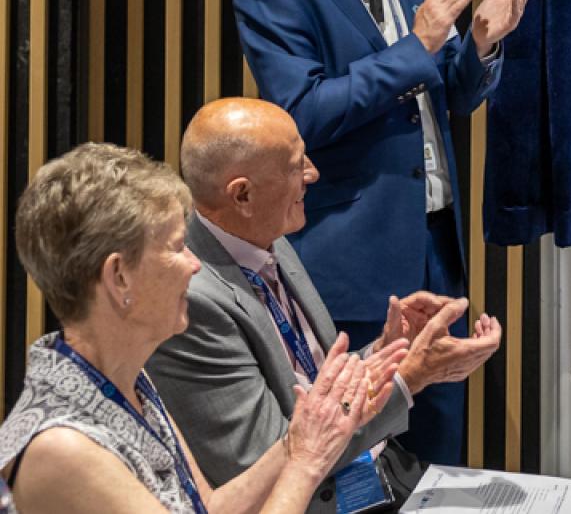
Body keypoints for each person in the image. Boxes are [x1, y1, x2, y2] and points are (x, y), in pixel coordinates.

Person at [233, 0, 535, 465]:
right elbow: (303, 112)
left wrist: (481, 42)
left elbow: (449, 93)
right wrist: (420, 41)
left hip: (434, 239)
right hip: (348, 254)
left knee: (437, 444)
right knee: (357, 449)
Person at [0, 142, 405, 514]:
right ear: (118, 277)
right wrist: (307, 460)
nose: (195, 265)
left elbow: (209, 506)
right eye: (177, 248)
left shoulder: (127, 377)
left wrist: (301, 436)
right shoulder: (62, 448)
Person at [147, 98, 503, 514]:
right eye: (297, 165)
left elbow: (316, 381)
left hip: (379, 474)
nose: (313, 174)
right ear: (242, 194)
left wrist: (388, 351)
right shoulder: (191, 298)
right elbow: (272, 456)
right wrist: (407, 377)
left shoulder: (271, 235)